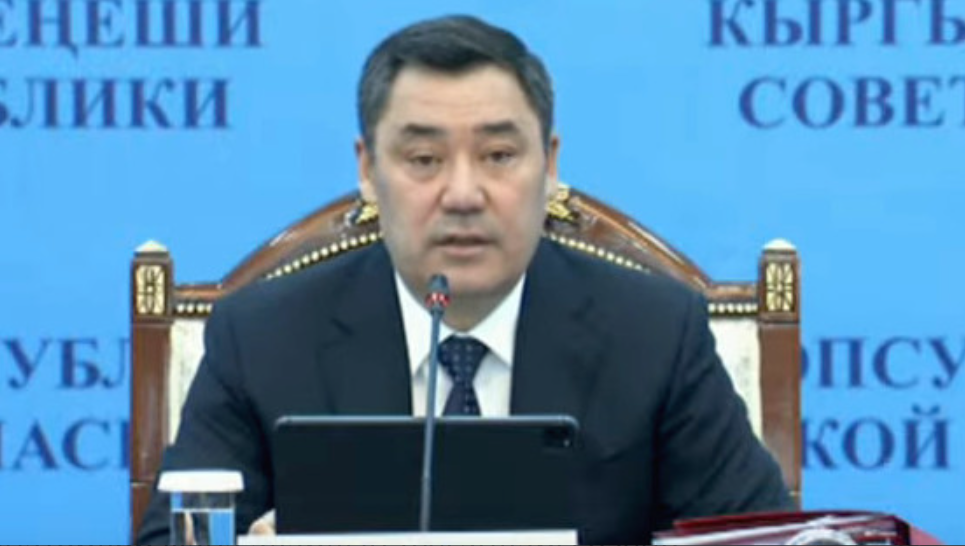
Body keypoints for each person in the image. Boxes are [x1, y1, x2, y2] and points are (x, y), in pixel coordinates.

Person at [137, 14, 793, 545]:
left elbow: (758, 537)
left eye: (498, 155)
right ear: (367, 171)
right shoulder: (262, 338)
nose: (462, 194)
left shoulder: (654, 333)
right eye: (424, 158)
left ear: (550, 166)